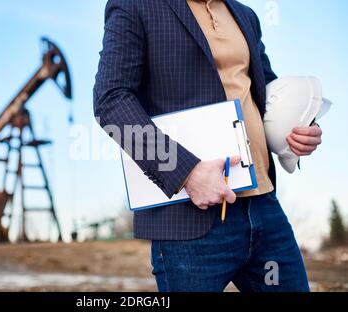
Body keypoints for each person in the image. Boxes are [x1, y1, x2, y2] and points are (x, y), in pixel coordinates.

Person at [93, 0, 322, 292]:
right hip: (189, 220)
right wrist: (185, 173)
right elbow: (110, 101)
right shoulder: (135, 6)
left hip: (264, 208)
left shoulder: (245, 15)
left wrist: (299, 130)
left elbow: (266, 90)